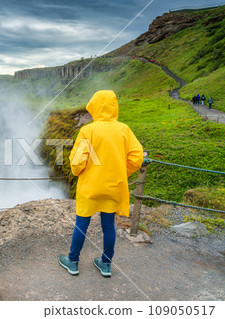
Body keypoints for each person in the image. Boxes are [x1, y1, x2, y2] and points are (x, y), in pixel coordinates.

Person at [59, 90, 143, 277]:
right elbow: (137, 157)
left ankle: (73, 262)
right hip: (113, 186)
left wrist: (78, 172)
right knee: (108, 226)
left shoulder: (88, 130)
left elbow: (77, 162)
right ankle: (105, 264)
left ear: (96, 108)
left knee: (82, 223)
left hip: (91, 186)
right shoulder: (124, 130)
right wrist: (123, 172)